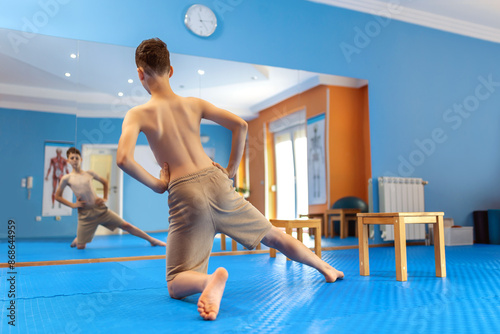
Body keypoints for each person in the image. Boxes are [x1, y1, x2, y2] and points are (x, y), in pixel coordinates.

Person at [116, 38, 344, 321]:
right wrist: (232, 170)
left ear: (140, 73)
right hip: (217, 180)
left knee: (175, 282)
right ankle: (326, 268)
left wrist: (158, 184)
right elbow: (241, 125)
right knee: (273, 235)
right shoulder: (193, 104)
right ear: (171, 70)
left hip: (184, 192)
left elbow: (123, 159)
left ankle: (208, 281)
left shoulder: (138, 114)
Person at [55, 147, 166, 249]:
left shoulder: (89, 173)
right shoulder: (66, 178)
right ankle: (79, 239)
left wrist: (104, 197)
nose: (75, 160)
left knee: (126, 225)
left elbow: (105, 182)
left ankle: (152, 240)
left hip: (100, 209)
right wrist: (73, 205)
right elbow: (57, 196)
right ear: (68, 161)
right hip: (85, 214)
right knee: (80, 247)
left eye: (77, 158)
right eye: (72, 158)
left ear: (81, 159)